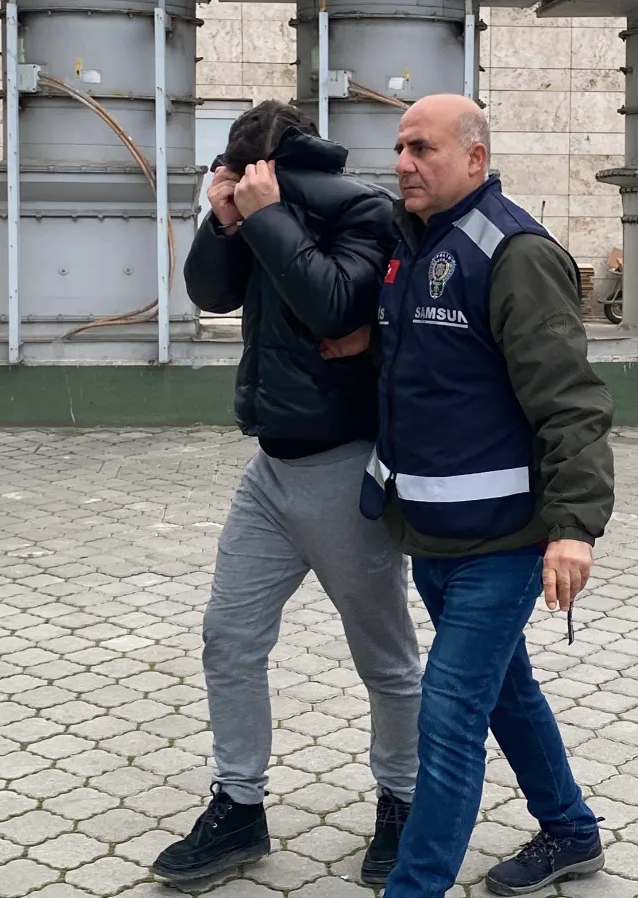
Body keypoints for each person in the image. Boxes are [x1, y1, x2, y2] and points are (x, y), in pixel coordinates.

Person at [326, 94, 616, 897]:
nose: (402, 163)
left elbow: (571, 401)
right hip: (434, 537)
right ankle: (571, 831)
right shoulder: (415, 242)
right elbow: (439, 359)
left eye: (422, 148)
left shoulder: (514, 253)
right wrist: (370, 339)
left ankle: (414, 887)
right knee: (507, 693)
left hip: (505, 542)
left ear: (475, 159)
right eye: (399, 148)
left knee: (449, 714)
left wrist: (574, 527)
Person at [150, 100, 423, 887]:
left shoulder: (363, 209)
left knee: (384, 657)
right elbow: (210, 294)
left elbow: (334, 303)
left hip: (345, 468)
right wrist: (223, 222)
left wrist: (269, 218)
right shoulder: (256, 210)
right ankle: (239, 806)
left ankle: (405, 803)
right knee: (228, 637)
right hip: (270, 471)